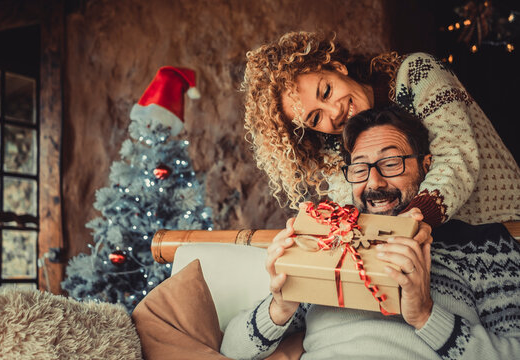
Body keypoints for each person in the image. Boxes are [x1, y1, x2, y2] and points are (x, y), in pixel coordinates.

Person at [220, 106, 520, 359]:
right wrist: (280, 305)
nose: (374, 182)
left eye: (391, 163)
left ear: (426, 167)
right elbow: (231, 350)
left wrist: (425, 315)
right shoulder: (326, 242)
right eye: (360, 169)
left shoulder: (483, 245)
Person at [242, 31, 520, 228]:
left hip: (502, 225)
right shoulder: (336, 146)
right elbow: (352, 203)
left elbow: (455, 155)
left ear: (337, 67)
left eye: (326, 91)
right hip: (442, 253)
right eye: (315, 118)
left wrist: (410, 224)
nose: (334, 112)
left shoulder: (416, 74)